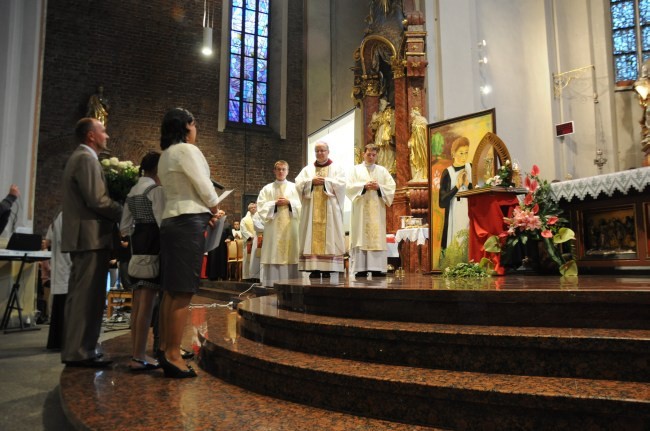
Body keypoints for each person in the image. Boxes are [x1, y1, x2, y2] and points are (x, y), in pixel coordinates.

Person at [157, 107, 220, 378]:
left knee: (171, 291)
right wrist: (215, 207)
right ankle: (172, 355)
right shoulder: (187, 151)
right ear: (186, 126)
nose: (196, 130)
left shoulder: (165, 155)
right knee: (183, 291)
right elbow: (204, 185)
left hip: (171, 221)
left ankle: (164, 347)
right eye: (194, 125)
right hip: (187, 224)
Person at [60, 117, 122, 367]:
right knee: (86, 298)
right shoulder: (86, 159)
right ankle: (78, 351)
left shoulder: (82, 157)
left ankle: (82, 348)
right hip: (89, 237)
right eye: (103, 131)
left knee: (87, 297)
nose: (106, 136)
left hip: (87, 237)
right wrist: (122, 209)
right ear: (90, 136)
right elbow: (97, 200)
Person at [120, 151, 165, 371]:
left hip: (137, 248)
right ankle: (139, 356)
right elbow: (162, 222)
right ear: (158, 169)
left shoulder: (133, 190)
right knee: (147, 305)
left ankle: (135, 352)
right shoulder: (154, 190)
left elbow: (124, 227)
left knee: (137, 304)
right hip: (152, 247)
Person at [295, 141, 346, 278]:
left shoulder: (336, 168)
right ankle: (314, 267)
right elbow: (298, 184)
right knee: (311, 235)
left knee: (330, 234)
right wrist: (311, 182)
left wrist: (326, 182)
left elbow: (341, 185)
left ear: (328, 151)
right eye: (317, 151)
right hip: (311, 209)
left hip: (330, 209)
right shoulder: (307, 170)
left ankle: (328, 267)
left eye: (322, 150)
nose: (320, 153)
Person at [347, 144, 396, 278]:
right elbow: (348, 187)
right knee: (361, 236)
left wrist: (379, 187)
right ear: (364, 154)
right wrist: (363, 186)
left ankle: (377, 268)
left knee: (376, 237)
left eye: (374, 155)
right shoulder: (355, 170)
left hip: (377, 212)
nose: (371, 157)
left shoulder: (382, 171)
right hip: (361, 212)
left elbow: (391, 186)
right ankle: (360, 268)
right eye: (369, 154)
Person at [257, 160, 301, 287]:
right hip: (273, 229)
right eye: (278, 169)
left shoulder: (295, 188)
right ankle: (272, 283)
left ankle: (292, 283)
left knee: (291, 253)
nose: (281, 172)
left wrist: (289, 203)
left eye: (283, 169)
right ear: (274, 171)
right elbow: (261, 207)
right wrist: (274, 204)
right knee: (274, 252)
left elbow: (302, 206)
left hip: (290, 228)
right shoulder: (267, 189)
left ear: (287, 171)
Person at [438, 136, 473, 249]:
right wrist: (457, 187)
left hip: (470, 214)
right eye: (461, 153)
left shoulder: (471, 168)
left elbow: (479, 191)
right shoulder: (448, 173)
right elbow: (442, 202)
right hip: (454, 215)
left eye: (466, 152)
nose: (464, 156)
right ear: (453, 154)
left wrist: (468, 184)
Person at [45, 211, 71, 350]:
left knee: (59, 307)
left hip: (61, 266)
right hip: (65, 266)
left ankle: (56, 342)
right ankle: (60, 343)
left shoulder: (60, 215)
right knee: (63, 308)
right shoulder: (68, 215)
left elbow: (49, 239)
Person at [369, 98, 396, 174]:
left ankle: (389, 168)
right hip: (380, 134)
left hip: (387, 133)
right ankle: (381, 167)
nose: (380, 106)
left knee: (389, 151)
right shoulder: (379, 114)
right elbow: (373, 127)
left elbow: (393, 122)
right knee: (380, 151)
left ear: (386, 104)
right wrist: (374, 120)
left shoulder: (390, 111)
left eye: (382, 104)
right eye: (380, 104)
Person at [206, 210, 232, 281]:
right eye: (219, 213)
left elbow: (230, 235)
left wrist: (229, 239)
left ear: (224, 215)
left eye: (222, 214)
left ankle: (222, 275)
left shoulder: (227, 225)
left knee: (222, 260)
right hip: (213, 246)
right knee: (213, 260)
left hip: (222, 247)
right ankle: (212, 276)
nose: (220, 215)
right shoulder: (213, 223)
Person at [240, 202, 261, 281]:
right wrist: (250, 237)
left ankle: (257, 276)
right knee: (248, 260)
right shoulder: (245, 219)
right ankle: (248, 277)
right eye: (252, 208)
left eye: (255, 207)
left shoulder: (259, 217)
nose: (254, 209)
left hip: (258, 241)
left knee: (257, 258)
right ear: (249, 209)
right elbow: (243, 230)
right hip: (249, 242)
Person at [407, 107, 428, 181]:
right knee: (414, 158)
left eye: (412, 112)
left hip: (421, 143)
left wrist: (417, 127)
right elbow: (413, 134)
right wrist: (410, 141)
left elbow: (425, 130)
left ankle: (422, 175)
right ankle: (416, 175)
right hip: (415, 143)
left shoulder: (422, 119)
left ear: (415, 112)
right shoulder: (413, 122)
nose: (410, 114)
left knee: (421, 157)